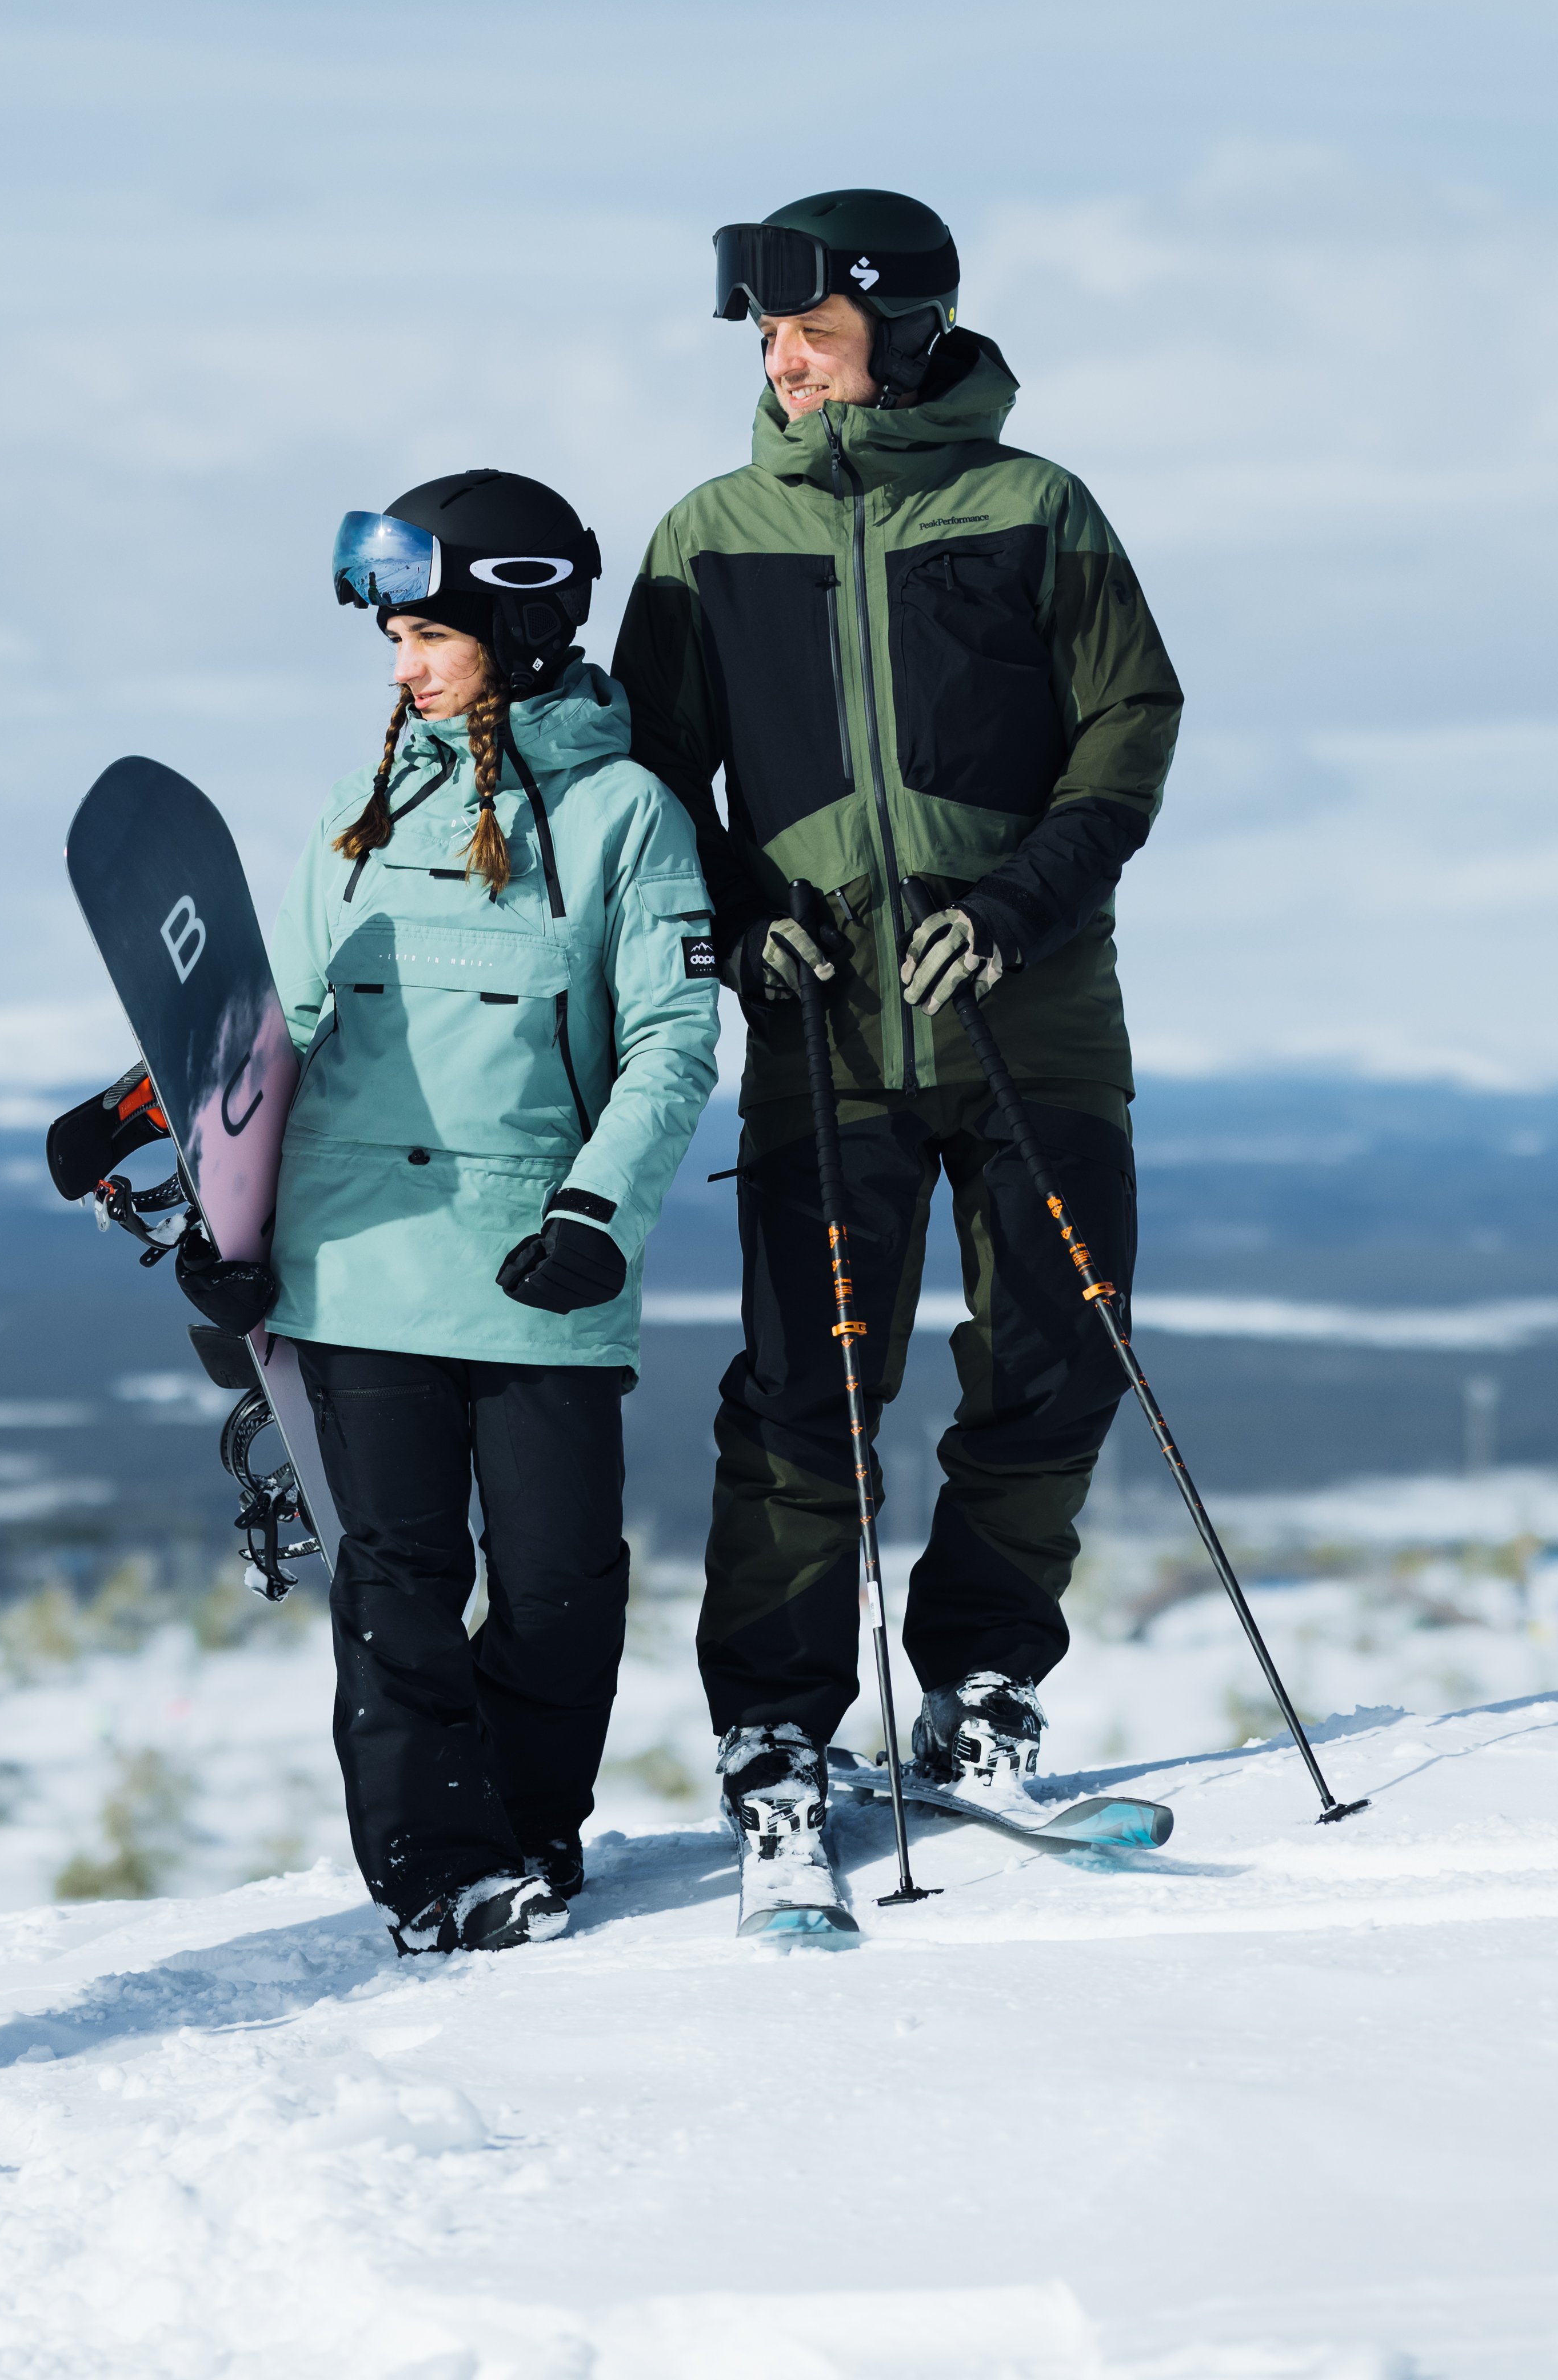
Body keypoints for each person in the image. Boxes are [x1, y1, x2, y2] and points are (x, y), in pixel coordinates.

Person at [612, 191, 1183, 1823]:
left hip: (1036, 1013)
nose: (782, 360)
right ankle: (778, 1722)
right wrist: (738, 924)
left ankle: (983, 1681)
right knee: (805, 1383)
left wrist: (1015, 909)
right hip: (823, 1031)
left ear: (903, 328)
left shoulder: (1034, 508)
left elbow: (1125, 728)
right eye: (770, 337)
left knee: (1054, 1357)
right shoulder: (709, 533)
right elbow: (650, 779)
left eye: (815, 332)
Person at [224, 471, 718, 1954]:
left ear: (514, 618)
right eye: (395, 641)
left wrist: (593, 1211)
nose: (405, 664)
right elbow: (283, 1024)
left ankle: (528, 1824)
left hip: (538, 1262)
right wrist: (194, 1174)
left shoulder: (625, 814)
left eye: (430, 632)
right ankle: (438, 1867)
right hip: (356, 1252)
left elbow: (671, 1040)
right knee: (400, 1579)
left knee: (563, 1579)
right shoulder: (362, 806)